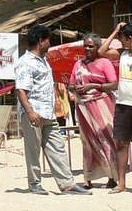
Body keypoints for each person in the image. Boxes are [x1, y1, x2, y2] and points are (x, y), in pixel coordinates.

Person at [14, 23, 91, 195]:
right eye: (48, 40)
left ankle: (67, 184)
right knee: (33, 150)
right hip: (33, 112)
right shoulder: (25, 63)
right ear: (41, 41)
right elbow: (21, 89)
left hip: (48, 112)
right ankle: (35, 184)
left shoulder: (44, 60)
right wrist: (30, 112)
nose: (50, 43)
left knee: (57, 146)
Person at [68, 33, 118, 189]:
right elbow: (69, 84)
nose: (87, 49)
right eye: (85, 46)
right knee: (87, 141)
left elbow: (113, 84)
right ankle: (88, 177)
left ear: (97, 47)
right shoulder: (78, 64)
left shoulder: (105, 63)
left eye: (91, 46)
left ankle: (112, 177)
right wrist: (75, 88)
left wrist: (93, 86)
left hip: (102, 105)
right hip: (83, 107)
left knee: (106, 140)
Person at [98, 21, 132, 193]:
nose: (120, 42)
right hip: (123, 105)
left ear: (130, 38)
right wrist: (116, 30)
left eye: (122, 38)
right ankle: (122, 184)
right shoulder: (122, 53)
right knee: (122, 144)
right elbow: (101, 51)